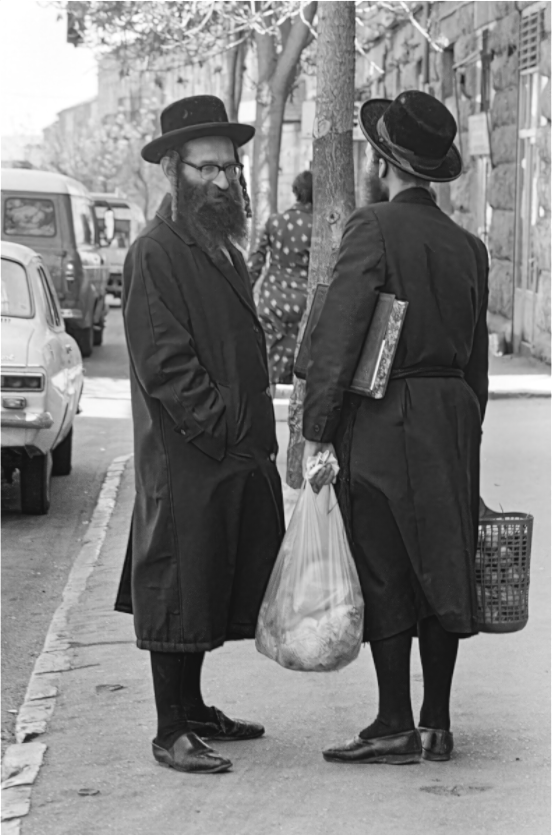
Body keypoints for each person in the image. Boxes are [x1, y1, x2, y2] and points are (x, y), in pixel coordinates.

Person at [302, 91, 489, 765]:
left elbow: (340, 333)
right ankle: (436, 723)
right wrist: (467, 435)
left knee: (385, 569)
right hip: (450, 418)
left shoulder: (372, 226)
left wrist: (316, 429)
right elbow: (476, 361)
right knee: (443, 563)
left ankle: (392, 723)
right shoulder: (469, 246)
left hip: (386, 417)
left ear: (383, 162)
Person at [115, 95, 285, 775]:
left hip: (227, 451)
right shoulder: (154, 251)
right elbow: (164, 363)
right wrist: (221, 428)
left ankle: (193, 708)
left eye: (228, 168)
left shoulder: (222, 247)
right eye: (205, 169)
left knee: (209, 582)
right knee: (179, 586)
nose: (221, 180)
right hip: (188, 455)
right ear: (173, 171)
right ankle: (169, 730)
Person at [248, 171, 313, 387]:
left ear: (296, 191)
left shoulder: (275, 222)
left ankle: (269, 400)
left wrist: (243, 294)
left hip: (271, 299)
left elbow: (255, 263)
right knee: (299, 363)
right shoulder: (317, 227)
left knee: (267, 362)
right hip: (302, 303)